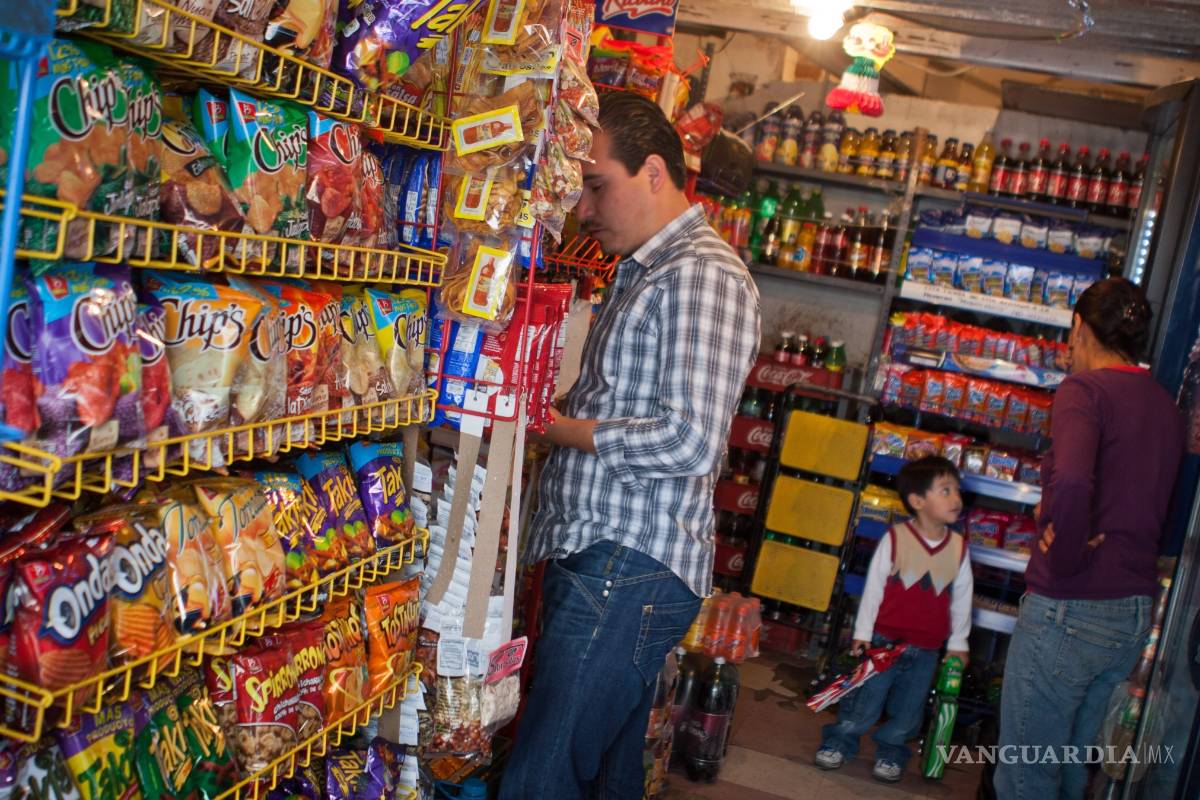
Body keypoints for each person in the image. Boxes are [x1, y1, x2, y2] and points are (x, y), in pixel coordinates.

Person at [499, 93, 761, 799]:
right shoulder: (647, 268)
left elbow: (689, 441)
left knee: (542, 779)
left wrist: (546, 425)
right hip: (611, 563)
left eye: (595, 184)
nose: (584, 209)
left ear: (652, 172)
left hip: (626, 566)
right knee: (600, 779)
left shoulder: (698, 273)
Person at [995, 278, 1183, 799]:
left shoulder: (1085, 392)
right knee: (1075, 774)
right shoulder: (1164, 405)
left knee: (1026, 774)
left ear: (1078, 327)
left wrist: (1069, 552)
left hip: (1070, 607)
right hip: (1130, 611)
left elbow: (1075, 480)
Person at [816, 455, 973, 783]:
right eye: (945, 491)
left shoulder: (959, 547)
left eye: (957, 491)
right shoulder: (896, 538)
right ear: (917, 501)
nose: (956, 498)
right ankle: (840, 740)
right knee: (865, 701)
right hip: (884, 642)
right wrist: (863, 632)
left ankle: (891, 751)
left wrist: (958, 643)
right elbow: (873, 587)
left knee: (909, 709)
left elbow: (962, 598)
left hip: (928, 648)